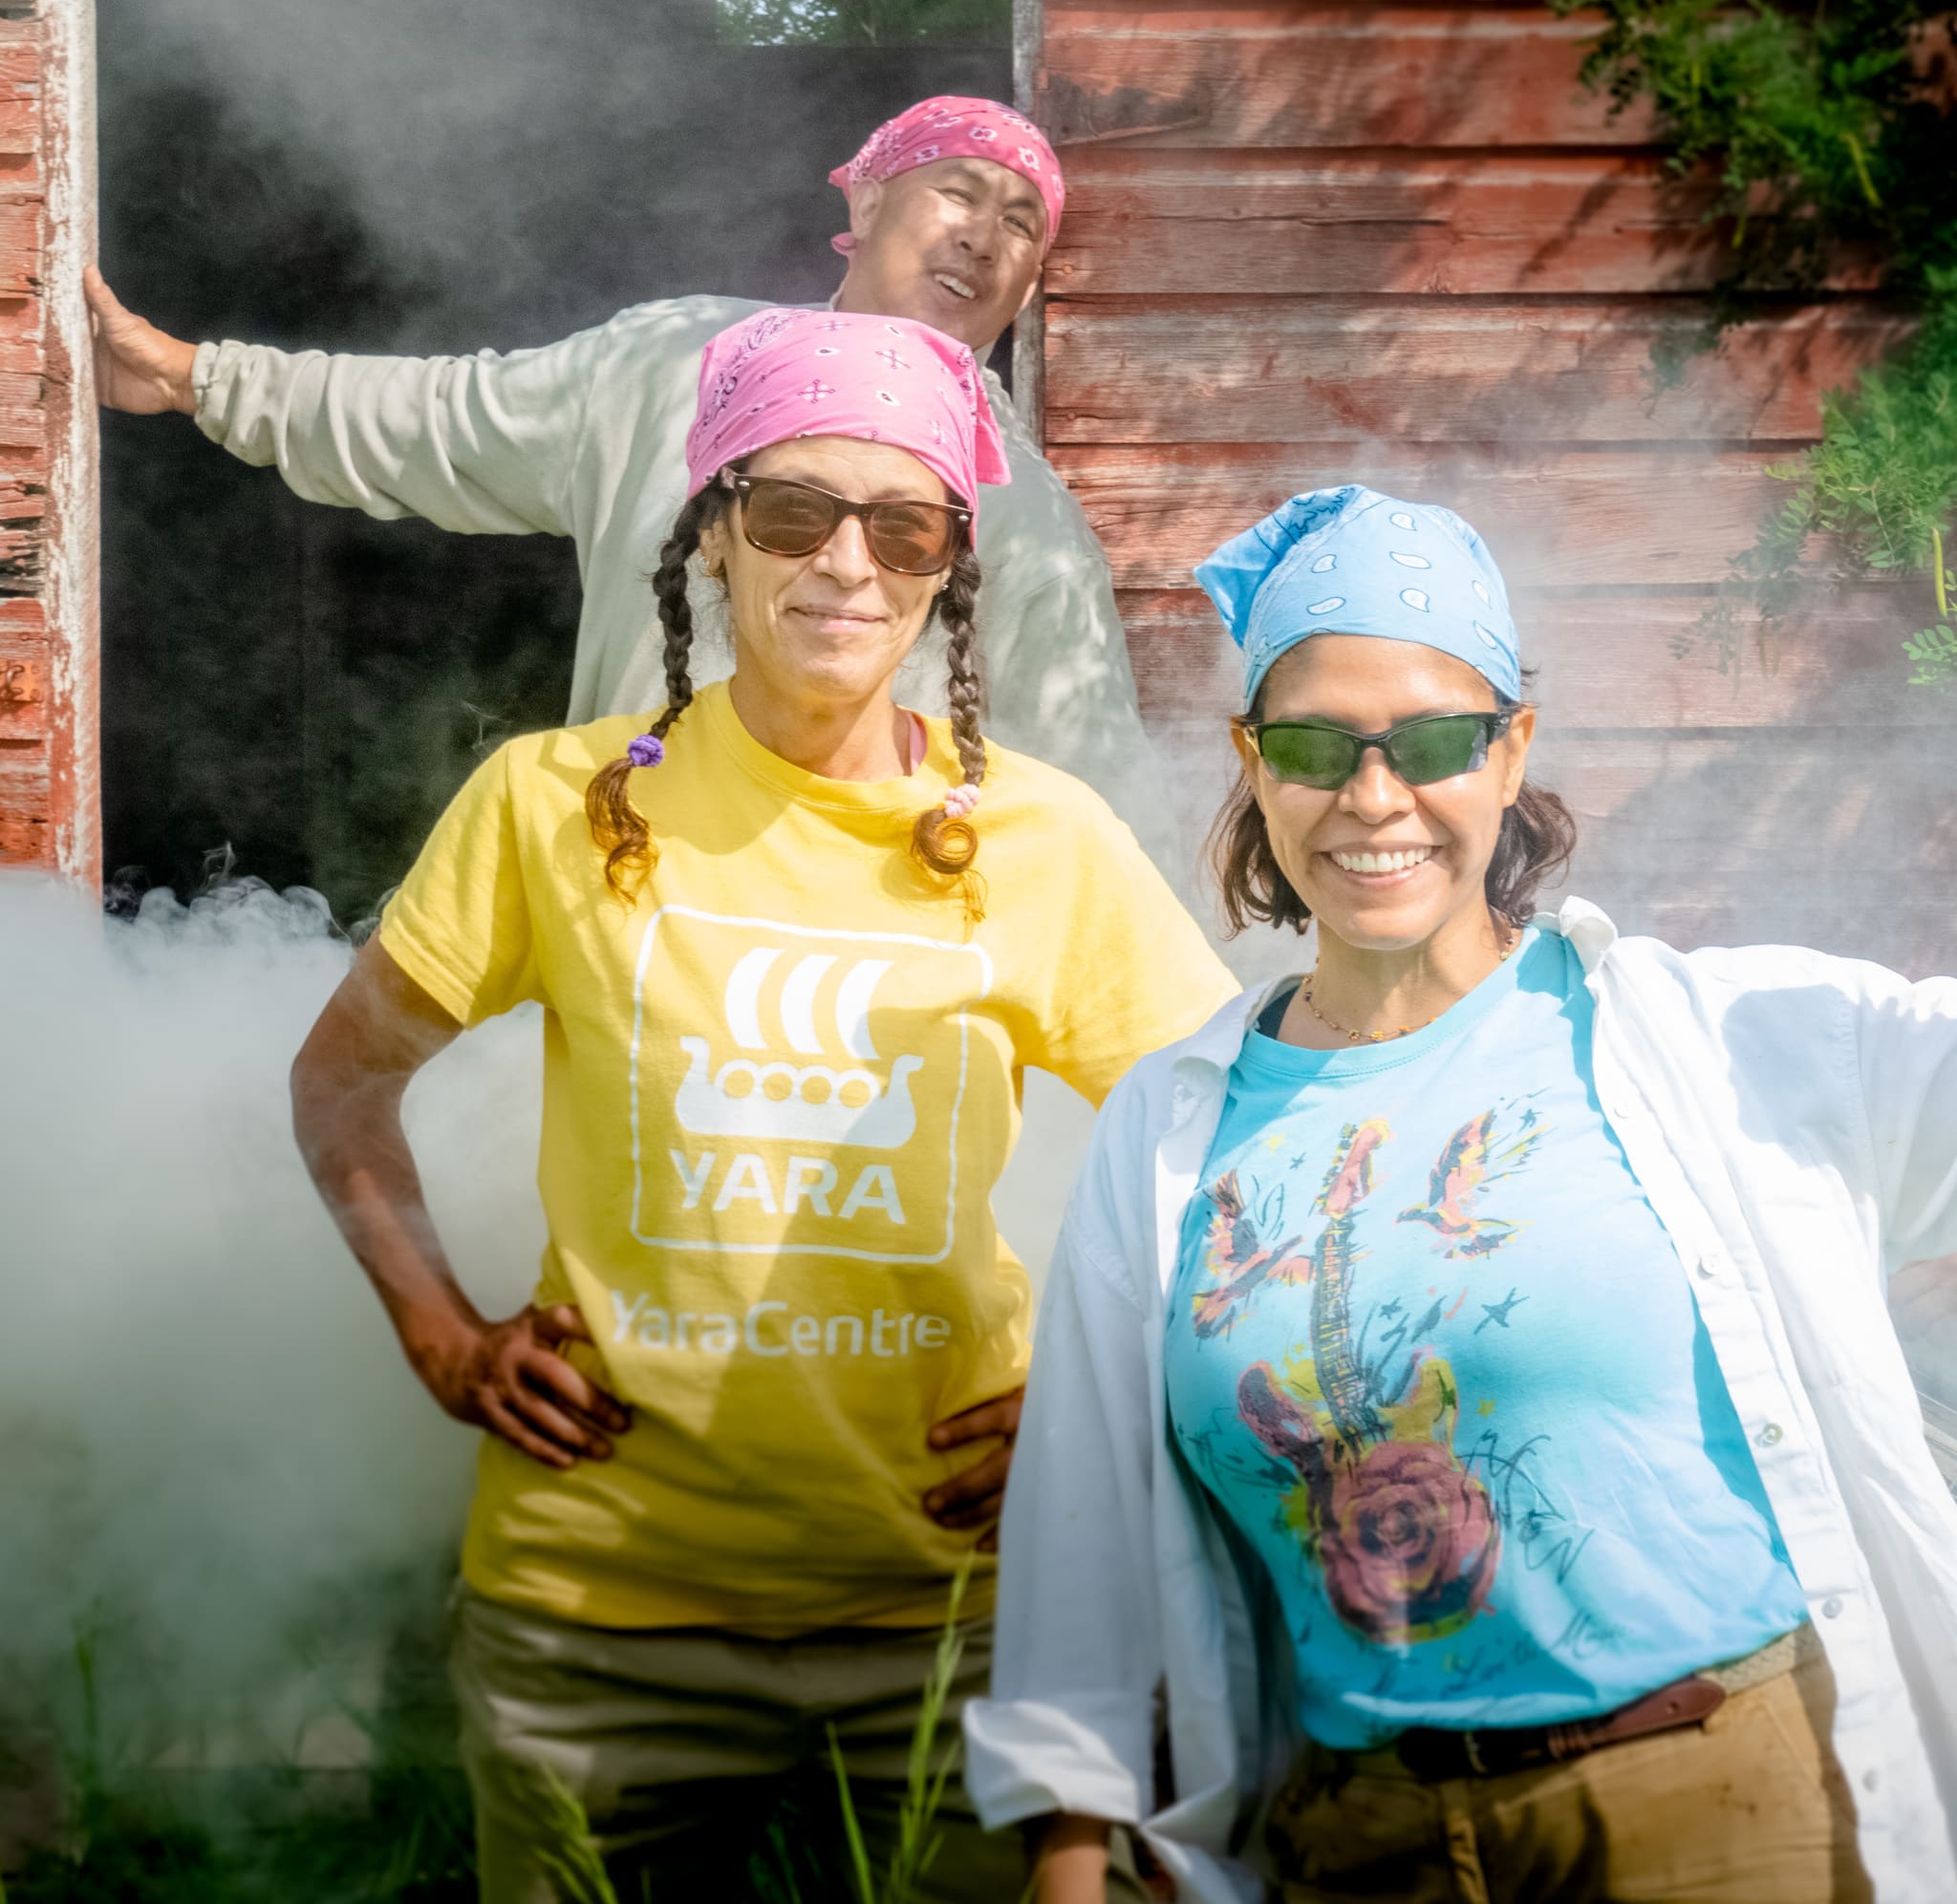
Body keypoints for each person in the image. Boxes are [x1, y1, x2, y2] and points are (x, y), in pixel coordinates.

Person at [290, 306, 1237, 1903]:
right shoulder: (552, 803)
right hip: (593, 1622)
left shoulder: (1047, 840)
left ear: (950, 560)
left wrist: (1117, 1401)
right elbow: (341, 1081)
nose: (844, 563)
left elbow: (1247, 1153)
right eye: (791, 511)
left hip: (964, 1611)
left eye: (903, 523)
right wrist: (443, 1335)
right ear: (714, 535)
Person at [964, 485, 1957, 1903]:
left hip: (1721, 1814)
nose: (1375, 797)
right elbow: (1084, 1540)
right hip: (1355, 1843)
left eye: (1433, 740)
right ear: (1253, 762)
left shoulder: (1716, 1039)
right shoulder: (1169, 1129)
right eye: (1315, 745)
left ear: (1511, 752)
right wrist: (1067, 1860)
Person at [84, 96, 1165, 845]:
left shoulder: (1027, 513)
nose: (985, 236)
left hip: (883, 959)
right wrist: (194, 378)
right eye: (959, 193)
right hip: (631, 875)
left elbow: (1088, 780)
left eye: (1021, 222)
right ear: (865, 204)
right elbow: (447, 418)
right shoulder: (673, 365)